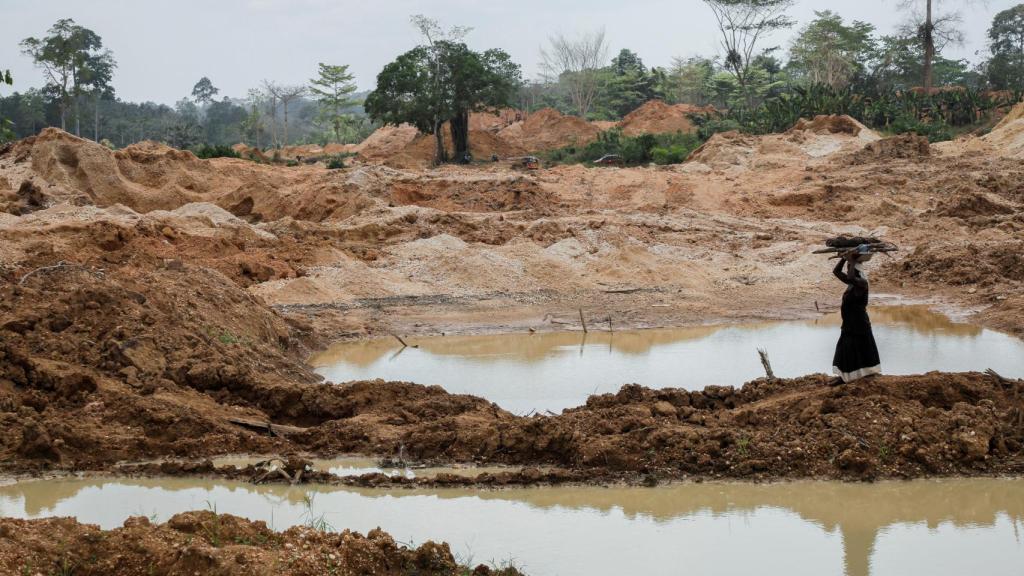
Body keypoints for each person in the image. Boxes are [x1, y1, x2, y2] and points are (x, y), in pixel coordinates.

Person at [831, 249, 880, 384]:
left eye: (850, 269)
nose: (848, 271)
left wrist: (852, 260)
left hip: (859, 324)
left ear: (856, 271)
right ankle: (844, 377)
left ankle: (855, 376)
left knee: (856, 349)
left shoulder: (862, 283)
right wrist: (843, 258)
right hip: (849, 323)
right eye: (848, 269)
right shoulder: (852, 283)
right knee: (845, 350)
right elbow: (836, 271)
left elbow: (852, 277)